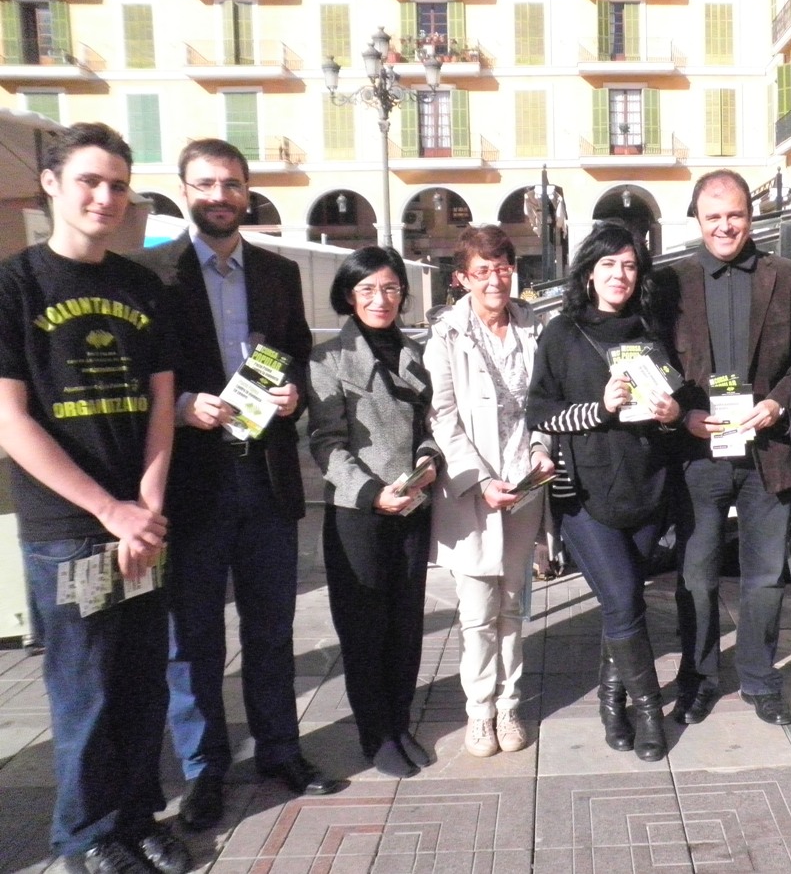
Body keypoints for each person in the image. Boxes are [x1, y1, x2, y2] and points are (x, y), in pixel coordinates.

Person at [131, 139, 338, 832]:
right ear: (184, 188)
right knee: (192, 640)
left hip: (266, 478)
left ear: (248, 192)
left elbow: (300, 358)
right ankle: (204, 770)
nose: (219, 195)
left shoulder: (278, 274)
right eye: (205, 183)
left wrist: (292, 397)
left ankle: (280, 749)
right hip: (190, 481)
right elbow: (140, 376)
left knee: (272, 625)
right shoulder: (152, 273)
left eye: (231, 184)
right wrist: (183, 405)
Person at [0, 123, 189, 874]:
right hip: (68, 532)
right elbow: (11, 419)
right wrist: (109, 511)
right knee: (86, 693)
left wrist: (143, 508)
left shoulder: (141, 285)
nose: (106, 196)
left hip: (142, 525)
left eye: (118, 183)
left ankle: (138, 818)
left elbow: (161, 405)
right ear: (52, 184)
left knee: (144, 683)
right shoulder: (16, 284)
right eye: (90, 180)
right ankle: (83, 837)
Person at [653, 169, 791, 727]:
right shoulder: (669, 282)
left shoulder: (789, 277)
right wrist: (683, 413)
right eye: (714, 215)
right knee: (695, 573)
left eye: (735, 214)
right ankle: (697, 677)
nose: (725, 225)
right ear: (697, 220)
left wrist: (777, 404)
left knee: (764, 574)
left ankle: (759, 678)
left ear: (752, 216)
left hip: (767, 448)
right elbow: (656, 358)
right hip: (698, 450)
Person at [526, 219, 683, 760]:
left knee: (624, 606)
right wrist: (600, 408)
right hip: (586, 495)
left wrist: (670, 413)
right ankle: (649, 714)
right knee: (621, 598)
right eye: (609, 264)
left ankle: (611, 701)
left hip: (648, 488)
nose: (620, 274)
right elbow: (539, 411)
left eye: (630, 265)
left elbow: (672, 405)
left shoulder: (650, 328)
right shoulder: (562, 333)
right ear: (589, 272)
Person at [309, 246, 439, 777]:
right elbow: (325, 441)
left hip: (412, 505)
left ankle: (399, 720)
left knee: (406, 625)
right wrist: (369, 493)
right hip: (358, 514)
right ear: (348, 296)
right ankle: (375, 733)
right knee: (364, 628)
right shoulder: (328, 360)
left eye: (389, 288)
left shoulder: (414, 352)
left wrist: (430, 458)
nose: (380, 299)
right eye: (367, 290)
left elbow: (431, 425)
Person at [428, 226, 553, 758]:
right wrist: (479, 480)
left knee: (511, 607)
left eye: (501, 268)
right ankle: (479, 711)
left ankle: (509, 705)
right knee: (477, 610)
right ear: (462, 279)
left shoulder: (534, 328)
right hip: (473, 496)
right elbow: (443, 417)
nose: (494, 279)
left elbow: (547, 401)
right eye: (482, 271)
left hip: (524, 489)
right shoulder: (446, 335)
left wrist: (544, 448)